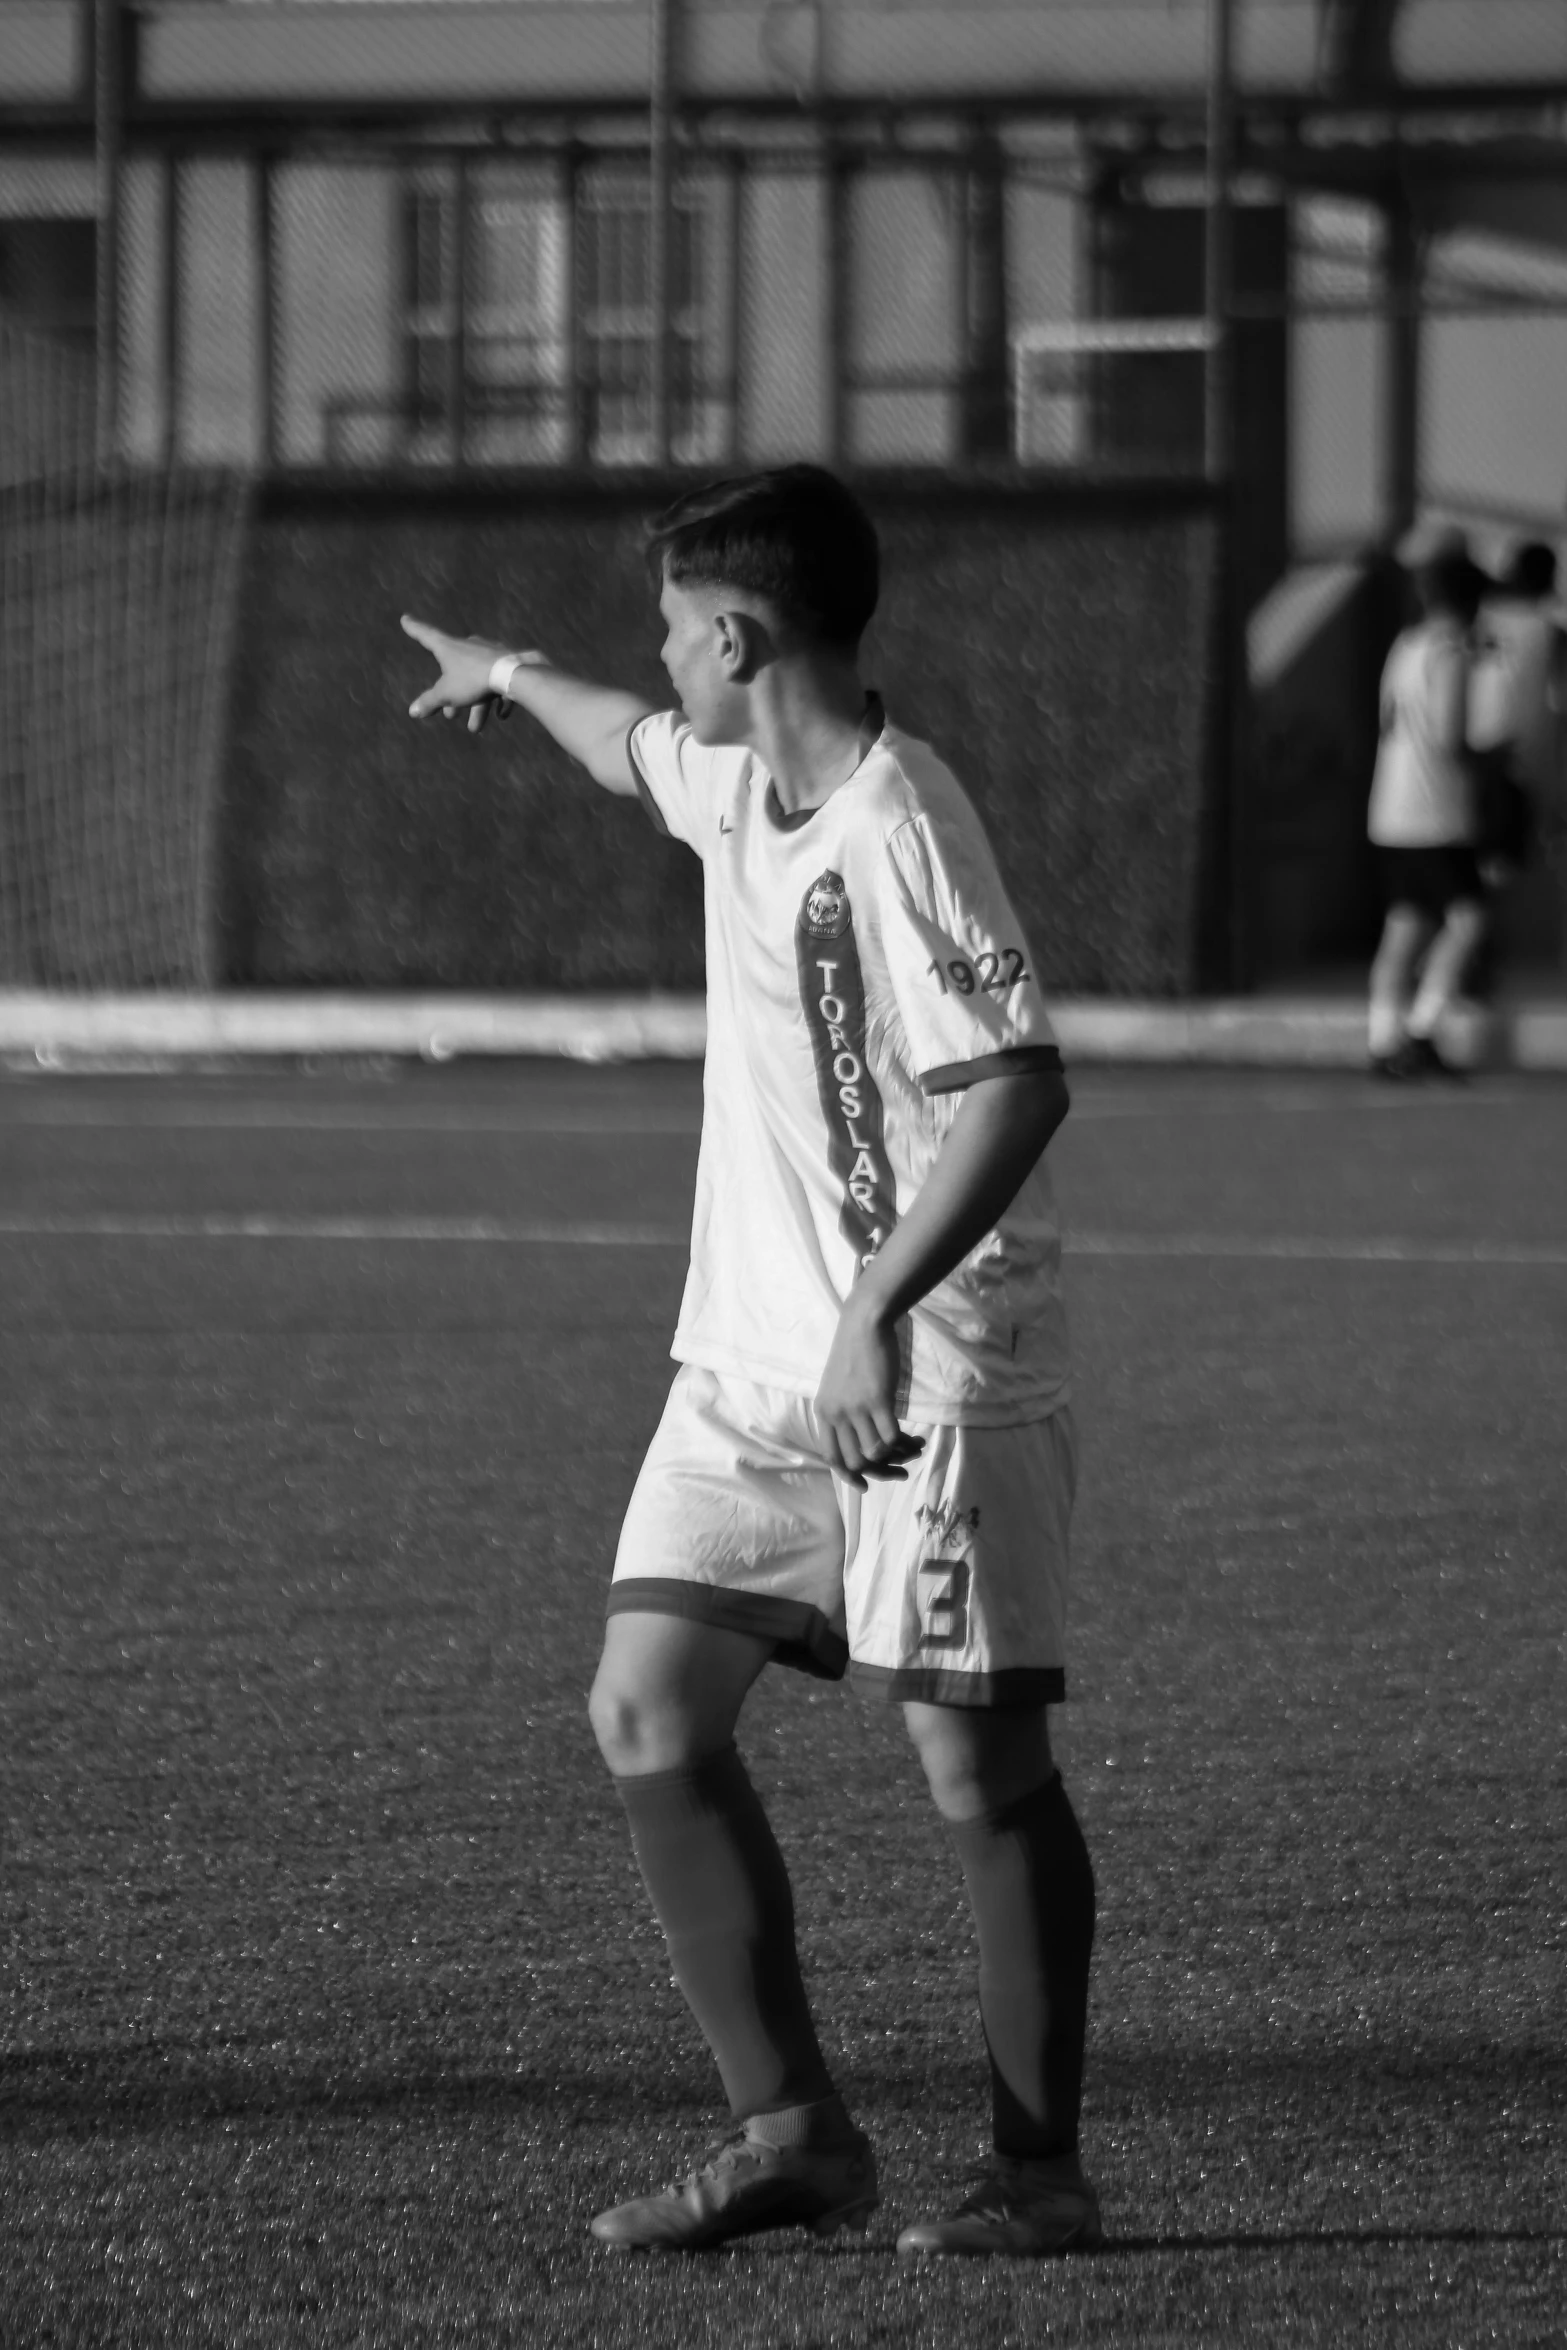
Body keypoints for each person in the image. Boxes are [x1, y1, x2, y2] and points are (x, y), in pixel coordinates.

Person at [402, 465, 1101, 2259]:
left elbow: (1014, 1086)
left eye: (669, 626)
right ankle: (793, 2133)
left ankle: (1037, 2179)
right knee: (644, 1707)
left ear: (737, 635)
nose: (659, 658)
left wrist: (874, 1309)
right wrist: (512, 669)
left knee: (974, 1771)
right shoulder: (742, 784)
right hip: (746, 1366)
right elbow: (625, 740)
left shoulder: (897, 819)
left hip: (927, 1364)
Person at [1366, 530, 1489, 1079]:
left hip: (1391, 807)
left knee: (1406, 924)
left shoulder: (1405, 645)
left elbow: (1389, 721)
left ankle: (1382, 1038)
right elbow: (1450, 736)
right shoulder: (1451, 651)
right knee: (1469, 922)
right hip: (1436, 810)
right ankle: (1421, 1029)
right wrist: (1492, 765)